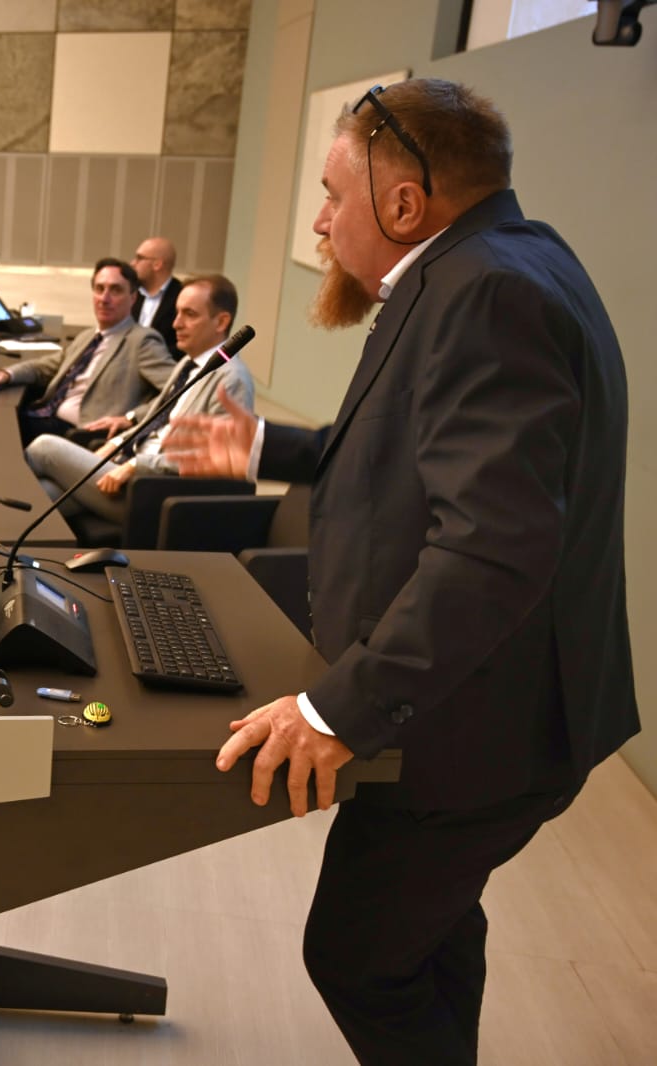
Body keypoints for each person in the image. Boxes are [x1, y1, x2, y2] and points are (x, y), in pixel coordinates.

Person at [160, 78, 637, 1065]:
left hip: (476, 732)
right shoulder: (497, 263)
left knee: (358, 956)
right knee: (430, 933)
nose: (323, 222)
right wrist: (256, 451)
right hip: (487, 713)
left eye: (334, 194)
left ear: (406, 203)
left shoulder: (488, 293)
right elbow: (408, 450)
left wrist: (336, 712)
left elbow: (495, 547)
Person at [24, 275, 253, 527]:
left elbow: (215, 459)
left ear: (221, 321)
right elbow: (157, 419)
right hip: (125, 470)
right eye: (176, 313)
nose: (176, 323)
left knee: (43, 447)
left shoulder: (233, 380)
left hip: (152, 492)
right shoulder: (190, 363)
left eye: (189, 314)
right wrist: (118, 442)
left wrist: (137, 465)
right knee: (37, 498)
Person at [0, 258, 174, 445]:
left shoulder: (143, 341)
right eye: (99, 289)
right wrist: (8, 373)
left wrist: (131, 418)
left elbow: (179, 393)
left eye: (115, 290)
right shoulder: (88, 336)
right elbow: (48, 366)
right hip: (46, 417)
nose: (104, 298)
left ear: (133, 298)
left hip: (80, 434)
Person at [129, 237, 183, 359]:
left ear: (157, 264)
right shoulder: (130, 294)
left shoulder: (182, 296)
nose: (133, 263)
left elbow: (184, 345)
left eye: (139, 258)